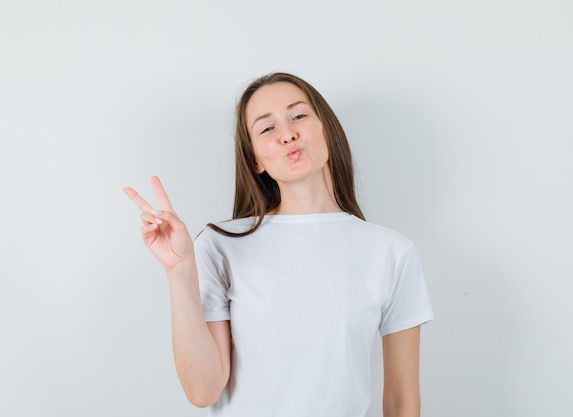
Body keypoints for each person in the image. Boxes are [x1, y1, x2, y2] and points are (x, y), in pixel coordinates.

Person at [124, 72, 434, 417]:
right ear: (255, 159)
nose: (288, 134)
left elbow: (402, 402)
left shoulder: (390, 251)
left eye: (299, 115)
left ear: (326, 130)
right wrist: (180, 271)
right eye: (267, 128)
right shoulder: (221, 246)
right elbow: (203, 390)